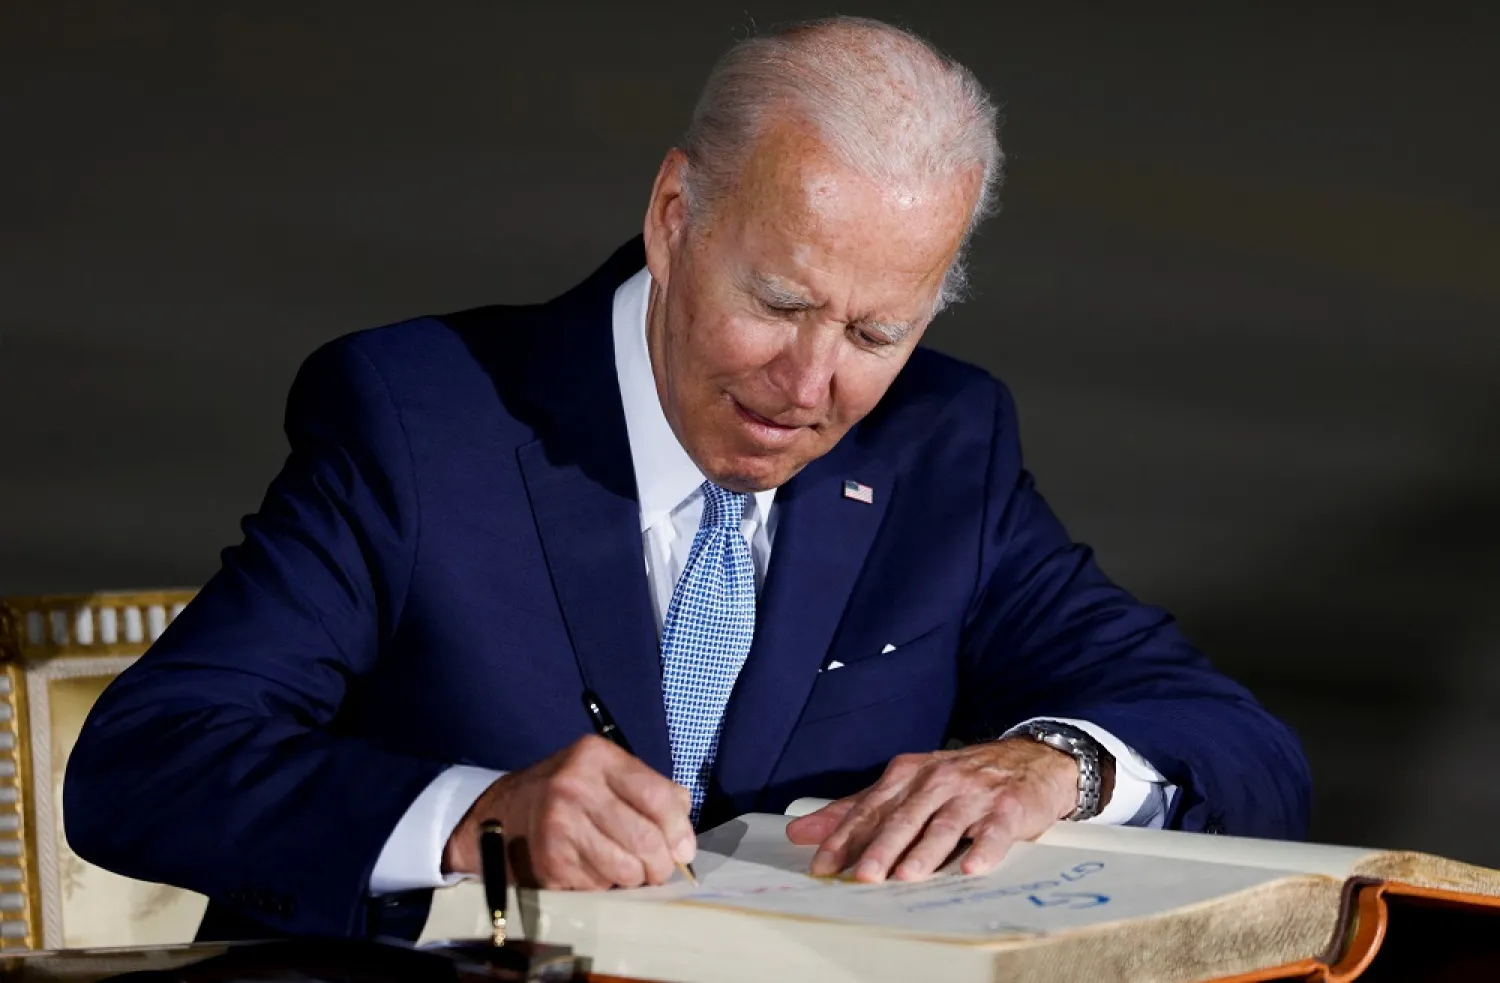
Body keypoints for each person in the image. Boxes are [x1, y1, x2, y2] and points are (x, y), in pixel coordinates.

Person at [64, 16, 1310, 943]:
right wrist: (470, 813)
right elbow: (146, 762)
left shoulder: (941, 444)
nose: (812, 383)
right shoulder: (419, 417)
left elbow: (1244, 748)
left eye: (877, 333)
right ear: (673, 217)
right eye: (777, 304)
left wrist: (1053, 765)